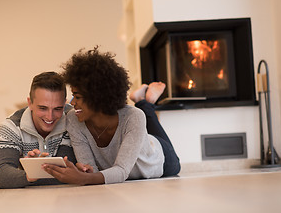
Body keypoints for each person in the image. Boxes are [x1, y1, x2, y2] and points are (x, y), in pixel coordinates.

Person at [42, 47, 180, 185]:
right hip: (137, 138)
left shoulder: (133, 117)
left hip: (158, 159)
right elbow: (92, 171)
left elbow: (121, 171)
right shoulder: (73, 119)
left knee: (142, 117)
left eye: (77, 97)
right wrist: (85, 172)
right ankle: (143, 100)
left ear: (98, 97)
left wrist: (82, 178)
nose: (72, 103)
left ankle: (145, 102)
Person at [0, 71, 76, 188]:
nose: (50, 116)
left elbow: (67, 172)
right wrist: (25, 175)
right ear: (30, 103)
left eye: (57, 109)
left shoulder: (72, 121)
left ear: (64, 104)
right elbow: (2, 175)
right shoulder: (10, 127)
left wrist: (22, 176)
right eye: (43, 108)